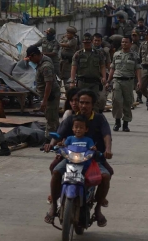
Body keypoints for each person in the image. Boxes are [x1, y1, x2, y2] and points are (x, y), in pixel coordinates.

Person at [44, 90, 112, 228]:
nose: (83, 106)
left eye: (87, 103)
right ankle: (53, 204)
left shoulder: (99, 119)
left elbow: (107, 135)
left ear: (93, 104)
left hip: (92, 158)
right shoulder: (70, 119)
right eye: (81, 102)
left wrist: (108, 150)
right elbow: (59, 134)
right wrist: (51, 145)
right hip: (71, 157)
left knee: (106, 175)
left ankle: (98, 209)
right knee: (55, 170)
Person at [107, 36, 142, 132]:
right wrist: (108, 81)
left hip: (128, 81)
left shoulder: (134, 55)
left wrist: (139, 81)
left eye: (126, 42)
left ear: (130, 43)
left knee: (127, 102)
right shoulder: (116, 54)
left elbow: (138, 69)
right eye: (122, 42)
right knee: (116, 101)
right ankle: (117, 121)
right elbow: (112, 68)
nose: (124, 44)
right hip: (117, 80)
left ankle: (125, 123)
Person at [26, 45, 61, 137]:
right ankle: (57, 137)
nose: (31, 61)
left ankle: (49, 140)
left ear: (35, 55)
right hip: (48, 94)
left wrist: (44, 101)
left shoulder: (46, 66)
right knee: (52, 117)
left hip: (51, 95)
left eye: (31, 58)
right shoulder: (43, 60)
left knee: (51, 118)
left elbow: (48, 84)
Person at [71, 33, 106, 110]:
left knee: (95, 102)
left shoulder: (98, 53)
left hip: (94, 82)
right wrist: (72, 81)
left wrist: (104, 77)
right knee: (82, 102)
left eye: (88, 42)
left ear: (91, 42)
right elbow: (74, 68)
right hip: (82, 82)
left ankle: (94, 119)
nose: (86, 44)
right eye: (85, 43)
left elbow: (102, 66)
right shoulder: (78, 54)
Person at [93, 33, 111, 113]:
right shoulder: (87, 51)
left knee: (102, 98)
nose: (96, 42)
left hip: (102, 77)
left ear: (101, 41)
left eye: (98, 41)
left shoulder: (104, 52)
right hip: (91, 77)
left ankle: (99, 113)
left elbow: (108, 66)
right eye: (95, 40)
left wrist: (108, 80)